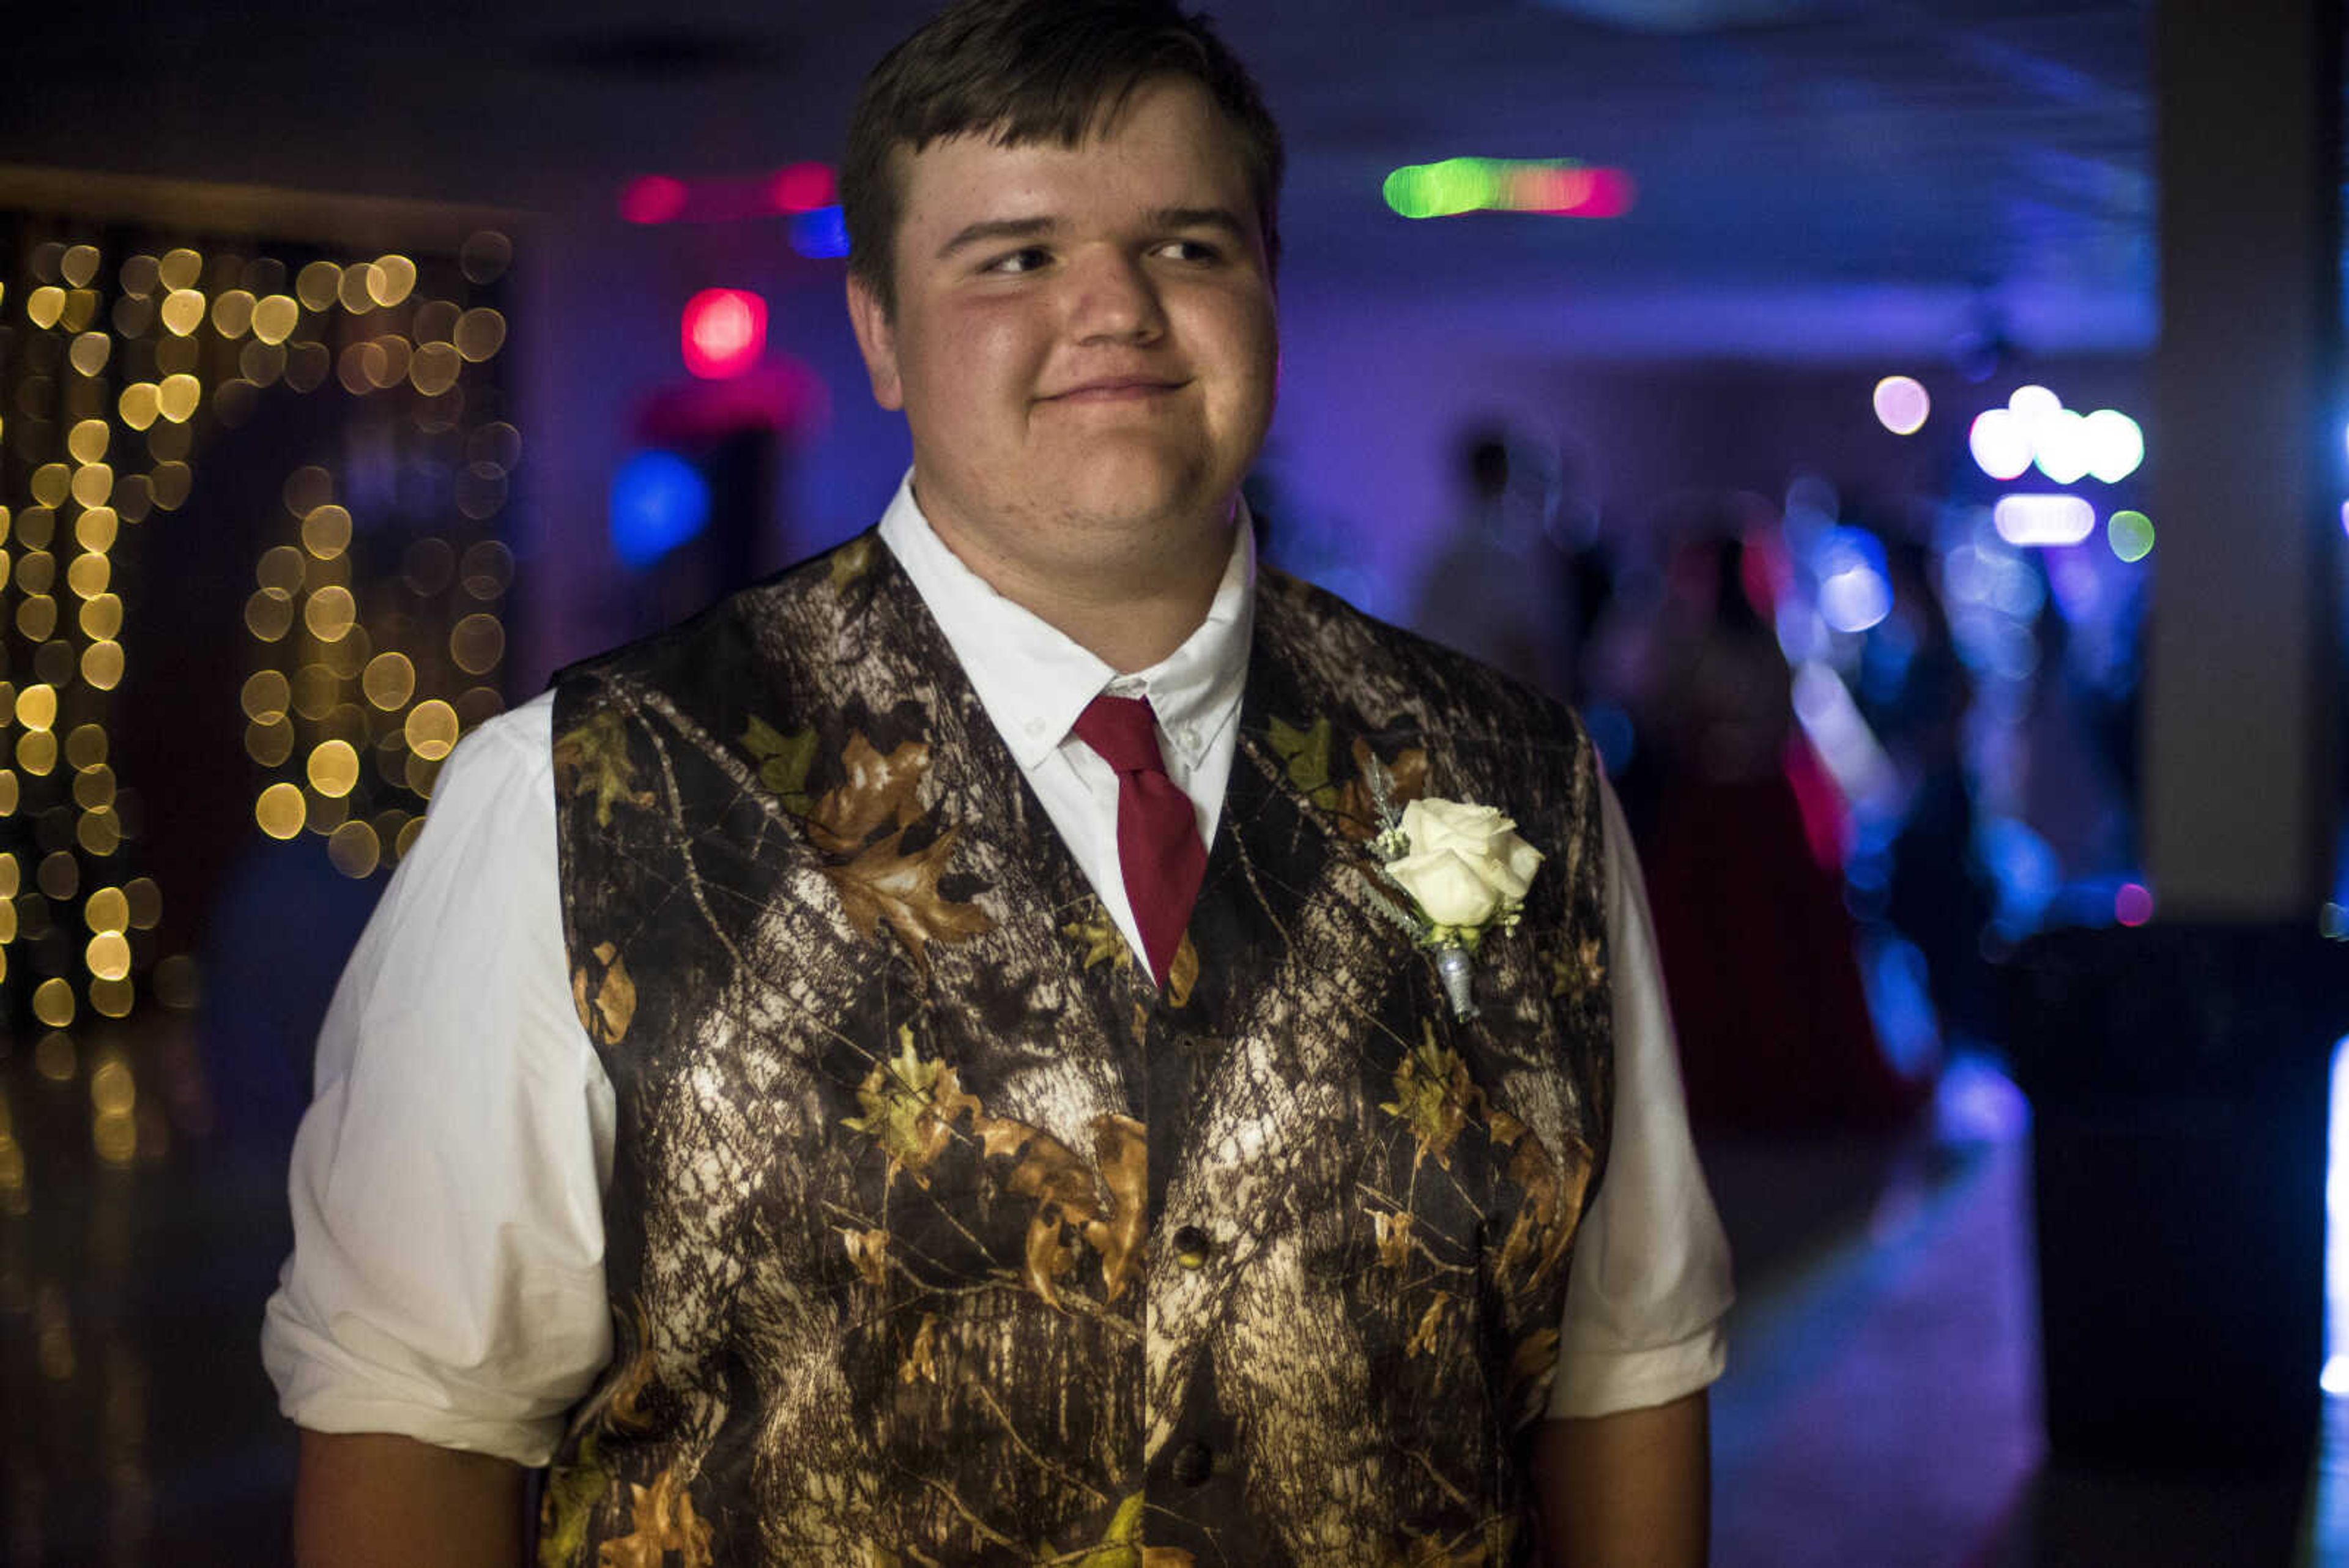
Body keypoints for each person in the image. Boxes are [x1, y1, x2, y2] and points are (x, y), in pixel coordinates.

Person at [262, 2, 1731, 1564]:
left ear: (1269, 291)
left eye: (1186, 246)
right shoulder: (573, 795)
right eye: (1016, 257)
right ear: (883, 332)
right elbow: (418, 1433)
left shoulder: (1526, 781)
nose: (1116, 312)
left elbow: (1622, 1370)